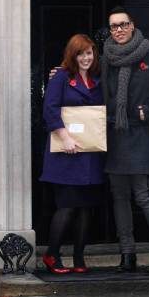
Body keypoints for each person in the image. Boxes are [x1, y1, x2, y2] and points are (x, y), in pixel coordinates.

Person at [102, 6, 149, 273]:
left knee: (143, 195)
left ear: (132, 26)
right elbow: (87, 80)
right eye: (114, 26)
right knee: (119, 197)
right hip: (113, 135)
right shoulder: (106, 59)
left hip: (139, 133)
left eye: (123, 25)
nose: (119, 30)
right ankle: (127, 254)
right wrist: (60, 74)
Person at [39, 34, 105, 274]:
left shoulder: (98, 79)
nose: (86, 58)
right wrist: (65, 137)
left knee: (85, 207)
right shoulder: (61, 78)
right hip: (64, 153)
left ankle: (79, 258)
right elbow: (50, 109)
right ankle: (52, 255)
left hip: (89, 153)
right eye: (81, 53)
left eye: (89, 53)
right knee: (66, 206)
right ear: (72, 55)